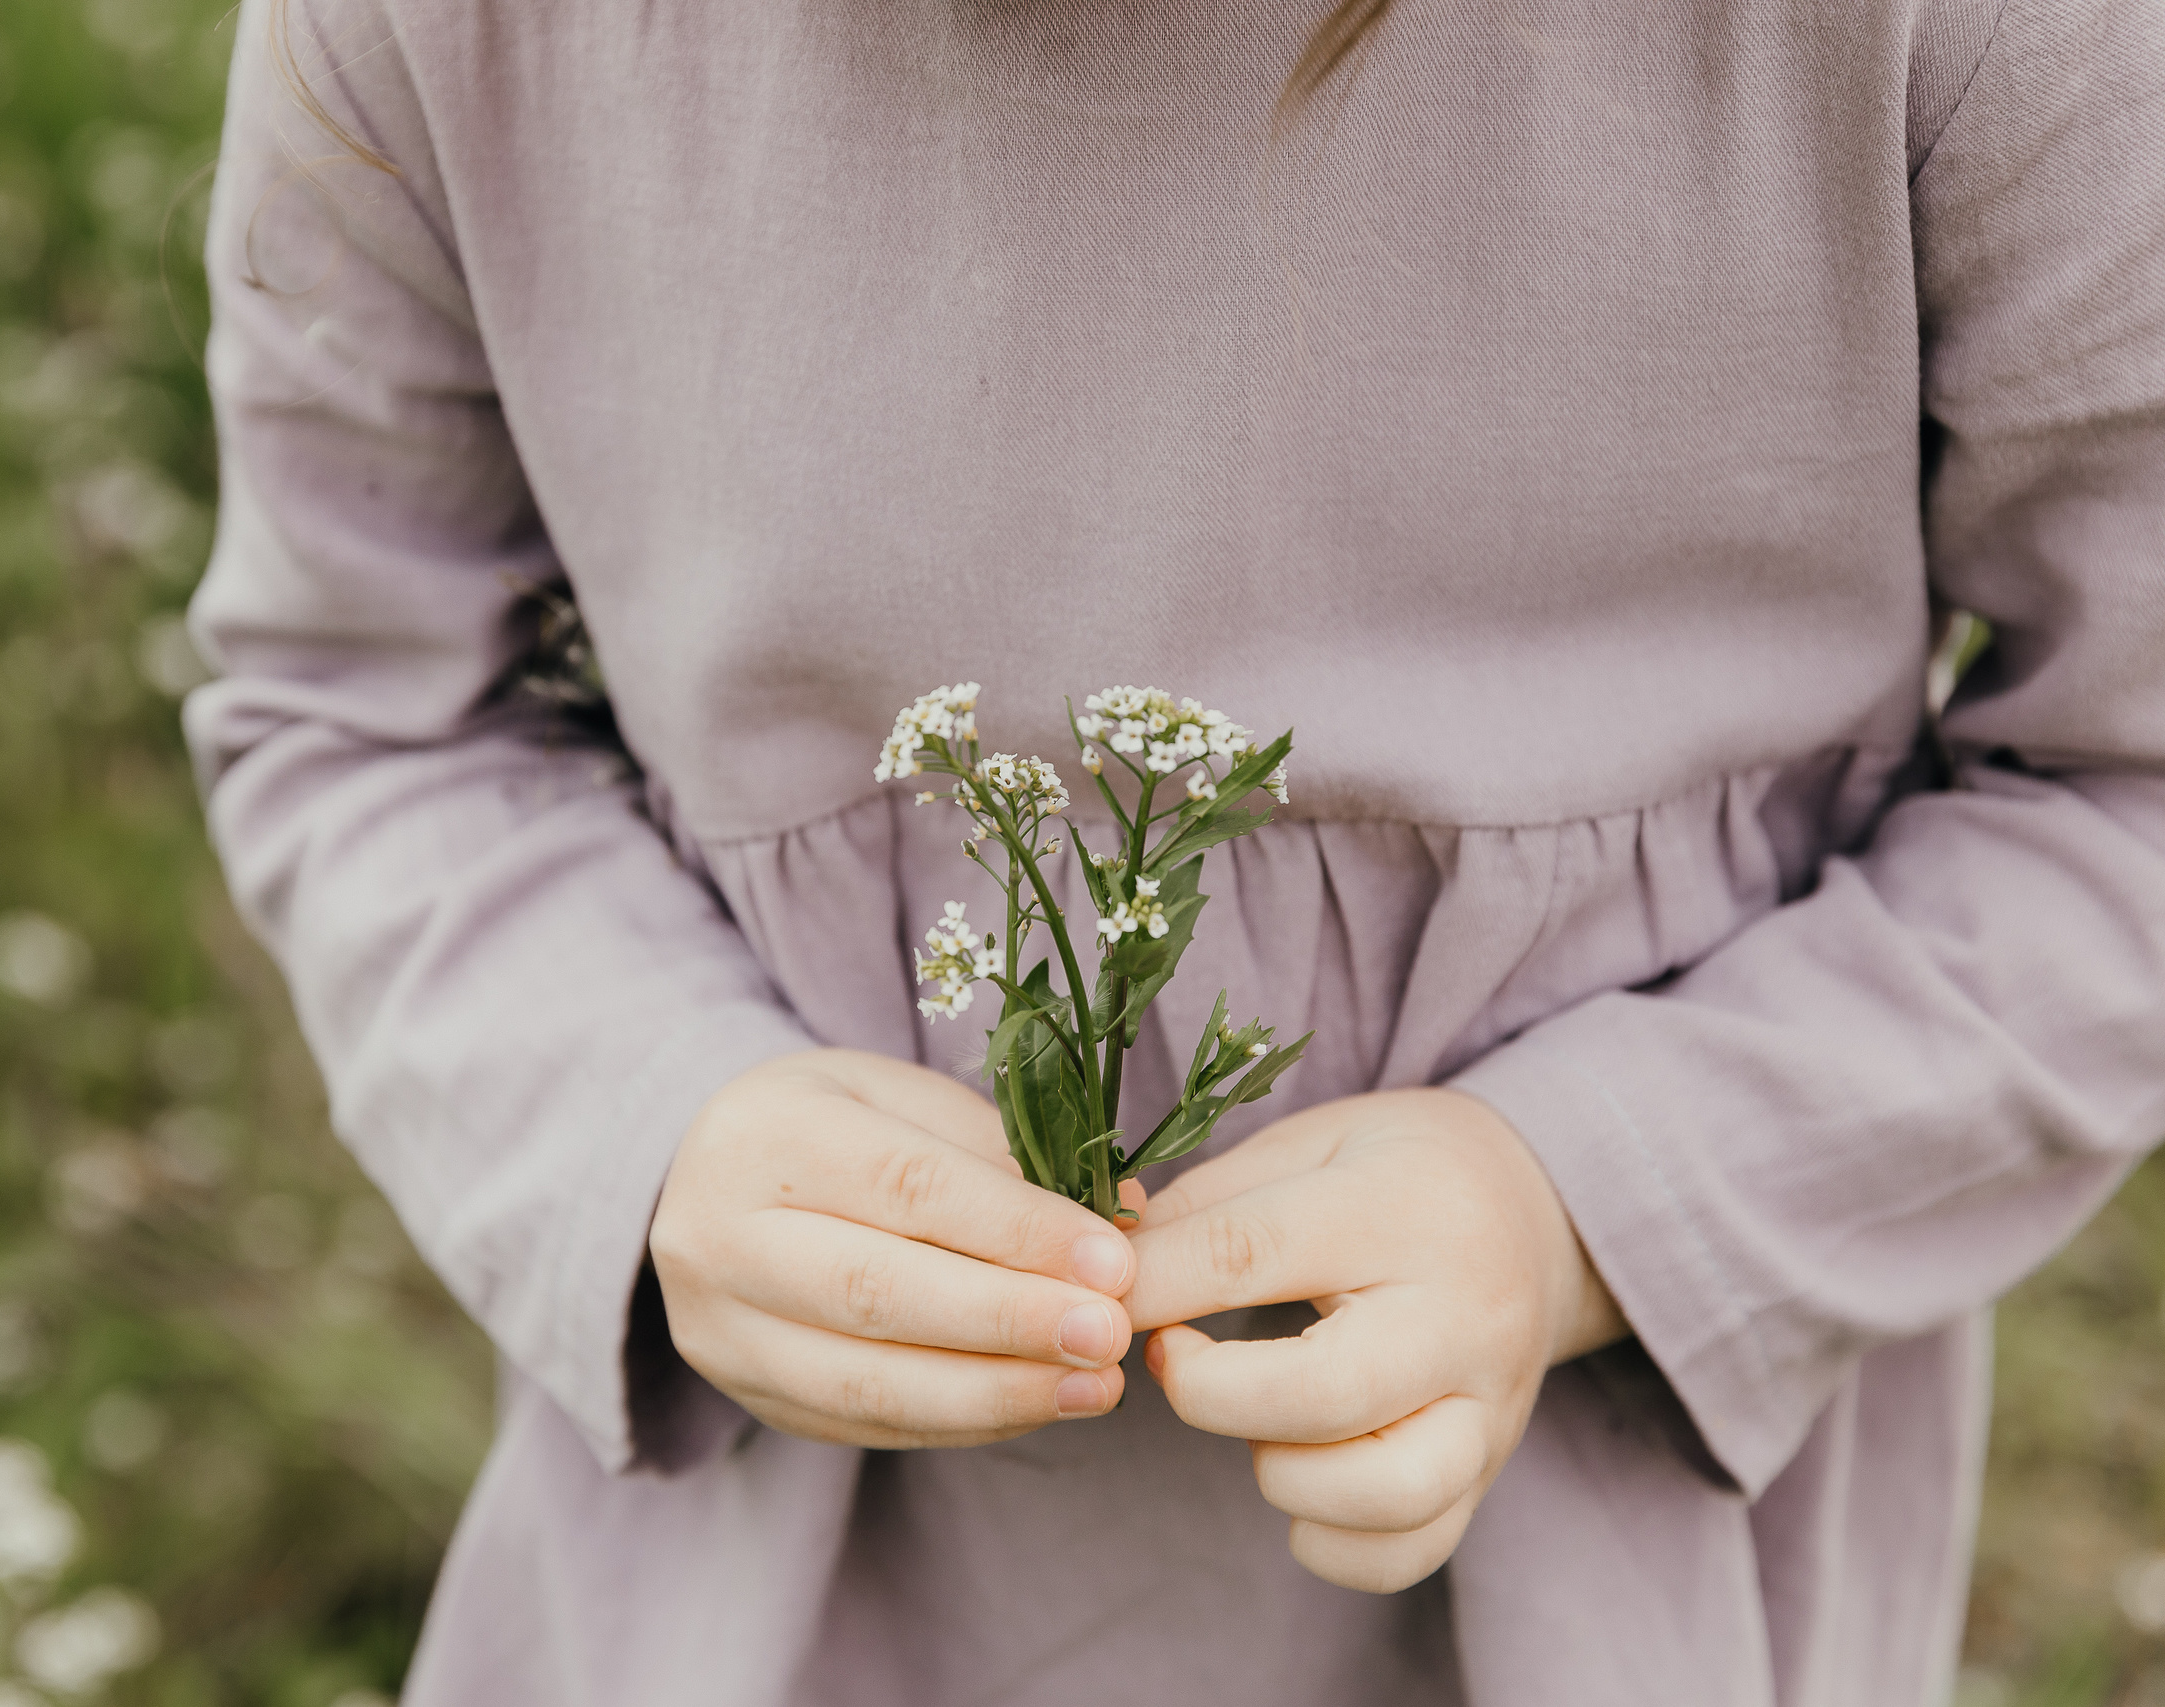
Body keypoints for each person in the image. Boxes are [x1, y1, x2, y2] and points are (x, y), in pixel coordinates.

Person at [181, 0, 2165, 1700]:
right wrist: (642, 1118)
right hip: (741, 1612)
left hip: (1590, 1602)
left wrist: (1594, 1198)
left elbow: (2123, 784)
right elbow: (363, 708)